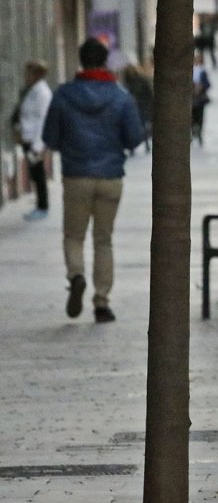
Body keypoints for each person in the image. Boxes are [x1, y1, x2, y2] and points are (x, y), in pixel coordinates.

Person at [41, 37, 145, 323]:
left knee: (74, 236)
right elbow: (135, 137)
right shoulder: (120, 96)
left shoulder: (63, 95)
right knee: (104, 239)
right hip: (111, 176)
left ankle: (76, 276)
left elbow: (49, 137)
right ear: (104, 61)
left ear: (81, 60)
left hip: (76, 176)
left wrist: (71, 145)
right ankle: (102, 301)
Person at [15, 61, 53, 221]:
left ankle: (42, 206)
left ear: (37, 74)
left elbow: (44, 120)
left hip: (35, 140)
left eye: (28, 73)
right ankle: (40, 205)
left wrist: (38, 146)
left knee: (38, 174)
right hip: (28, 137)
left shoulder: (42, 93)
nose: (26, 76)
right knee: (35, 173)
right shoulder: (31, 91)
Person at [122, 63, 154, 153]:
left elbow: (149, 93)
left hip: (142, 105)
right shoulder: (127, 82)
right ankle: (132, 147)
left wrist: (148, 105)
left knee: (143, 125)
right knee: (135, 125)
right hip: (133, 106)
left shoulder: (142, 80)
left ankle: (146, 144)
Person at [191, 54, 211, 145]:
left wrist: (201, 87)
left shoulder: (203, 71)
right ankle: (193, 131)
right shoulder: (189, 71)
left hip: (200, 98)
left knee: (200, 116)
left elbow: (208, 84)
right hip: (191, 98)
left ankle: (199, 133)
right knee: (192, 116)